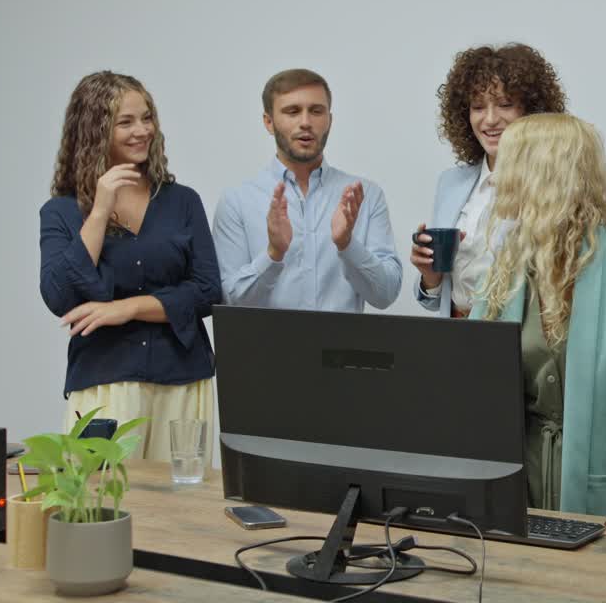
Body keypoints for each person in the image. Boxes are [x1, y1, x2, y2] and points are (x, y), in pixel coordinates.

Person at [471, 113, 606, 539]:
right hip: (512, 483)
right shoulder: (506, 264)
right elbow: (468, 372)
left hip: (599, 494)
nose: (500, 180)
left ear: (540, 174)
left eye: (511, 166)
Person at [39, 71, 222, 463]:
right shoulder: (62, 212)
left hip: (183, 381)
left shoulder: (183, 202)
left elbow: (208, 292)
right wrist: (101, 209)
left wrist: (125, 309)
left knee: (183, 511)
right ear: (94, 131)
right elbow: (60, 297)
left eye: (147, 117)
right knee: (98, 505)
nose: (143, 131)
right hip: (105, 383)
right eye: (126, 122)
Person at [213, 68, 402, 312]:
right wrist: (273, 254)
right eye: (292, 111)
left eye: (316, 111)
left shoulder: (364, 195)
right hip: (266, 350)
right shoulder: (236, 201)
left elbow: (385, 295)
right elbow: (229, 303)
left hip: (341, 350)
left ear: (329, 120)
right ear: (268, 122)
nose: (305, 122)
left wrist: (347, 245)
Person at [411, 43, 567, 317]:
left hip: (518, 340)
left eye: (505, 104)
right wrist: (430, 278)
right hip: (456, 336)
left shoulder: (551, 185)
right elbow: (435, 300)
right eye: (478, 107)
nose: (490, 120)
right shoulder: (451, 183)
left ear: (531, 111)